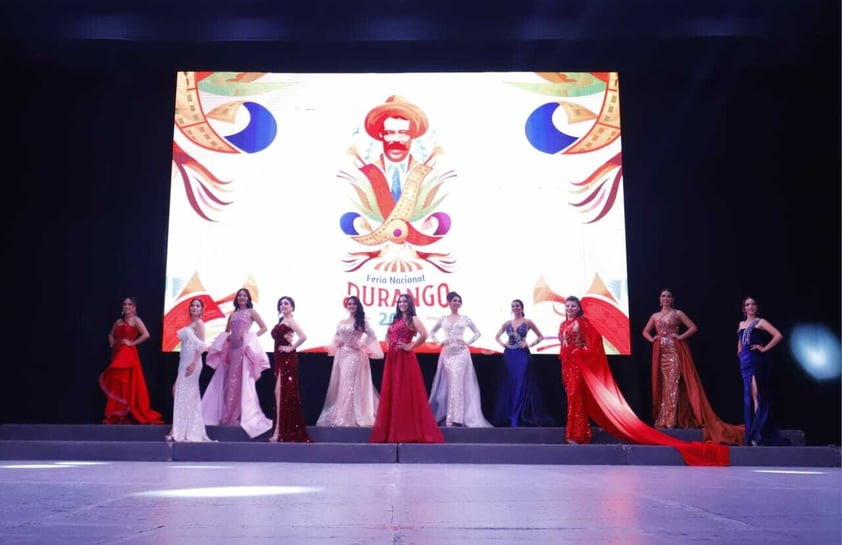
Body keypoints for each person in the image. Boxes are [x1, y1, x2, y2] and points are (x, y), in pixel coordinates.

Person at [558, 296, 730, 466]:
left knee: (576, 398)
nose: (570, 308)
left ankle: (577, 435)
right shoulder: (564, 324)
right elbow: (564, 345)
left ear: (579, 308)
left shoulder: (582, 323)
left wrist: (580, 353)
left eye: (573, 306)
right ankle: (577, 434)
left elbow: (595, 341)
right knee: (573, 398)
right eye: (568, 306)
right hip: (567, 366)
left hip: (579, 366)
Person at [642, 289, 743, 444]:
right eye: (663, 296)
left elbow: (693, 327)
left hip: (675, 353)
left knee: (673, 384)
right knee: (664, 385)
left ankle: (670, 420)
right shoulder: (655, 316)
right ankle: (664, 418)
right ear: (659, 299)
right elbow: (645, 331)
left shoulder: (678, 313)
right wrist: (653, 339)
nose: (666, 298)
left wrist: (680, 336)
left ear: (672, 299)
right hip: (661, 354)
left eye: (669, 296)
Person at [370, 294, 444, 443]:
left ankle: (405, 431)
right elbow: (387, 335)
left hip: (405, 360)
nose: (402, 304)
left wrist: (410, 346)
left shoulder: (413, 319)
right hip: (393, 359)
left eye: (405, 301)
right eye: (400, 301)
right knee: (393, 392)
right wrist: (391, 345)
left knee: (404, 393)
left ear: (410, 303)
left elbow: (424, 334)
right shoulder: (396, 320)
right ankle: (393, 430)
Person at [202, 288, 273, 439]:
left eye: (244, 296)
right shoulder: (232, 315)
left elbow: (264, 328)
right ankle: (228, 414)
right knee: (229, 382)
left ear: (248, 299)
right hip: (231, 351)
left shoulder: (251, 312)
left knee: (238, 383)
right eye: (240, 295)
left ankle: (234, 416)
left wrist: (250, 337)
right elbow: (227, 331)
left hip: (242, 350)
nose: (242, 298)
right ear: (237, 298)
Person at [428, 291, 491, 427]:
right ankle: (452, 417)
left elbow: (477, 333)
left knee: (458, 383)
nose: (456, 303)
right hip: (448, 353)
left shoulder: (465, 318)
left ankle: (457, 418)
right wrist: (439, 342)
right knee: (452, 383)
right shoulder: (443, 319)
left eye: (458, 301)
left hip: (461, 353)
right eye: (454, 300)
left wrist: (467, 342)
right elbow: (431, 332)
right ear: (449, 303)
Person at [317, 296, 383, 427]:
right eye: (349, 304)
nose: (351, 306)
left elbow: (372, 336)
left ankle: (350, 416)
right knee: (343, 383)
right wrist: (338, 341)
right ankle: (342, 414)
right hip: (342, 354)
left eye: (354, 304)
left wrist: (360, 343)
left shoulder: (362, 321)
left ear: (358, 306)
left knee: (350, 383)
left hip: (354, 355)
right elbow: (336, 334)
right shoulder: (342, 321)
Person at [100, 297, 164, 425]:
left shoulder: (136, 320)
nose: (127, 306)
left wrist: (132, 343)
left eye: (130, 304)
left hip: (128, 354)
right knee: (118, 384)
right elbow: (111, 335)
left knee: (130, 382)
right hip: (118, 353)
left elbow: (146, 334)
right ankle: (119, 413)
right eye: (125, 304)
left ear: (134, 307)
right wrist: (112, 344)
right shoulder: (118, 321)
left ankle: (129, 412)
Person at [491, 299, 551, 427]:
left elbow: (541, 336)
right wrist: (503, 344)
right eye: (513, 306)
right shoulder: (507, 323)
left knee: (521, 383)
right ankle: (511, 415)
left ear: (522, 308)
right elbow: (496, 337)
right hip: (509, 355)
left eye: (517, 305)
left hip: (522, 355)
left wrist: (529, 344)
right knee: (510, 384)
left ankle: (517, 415)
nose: (515, 308)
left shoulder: (527, 322)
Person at [738, 297, 786, 446]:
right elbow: (740, 341)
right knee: (748, 397)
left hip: (757, 360)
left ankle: (757, 434)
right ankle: (753, 433)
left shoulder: (760, 322)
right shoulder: (741, 324)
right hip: (744, 362)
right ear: (743, 308)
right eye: (747, 304)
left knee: (756, 395)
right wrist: (739, 353)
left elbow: (778, 335)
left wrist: (764, 348)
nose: (750, 307)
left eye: (753, 304)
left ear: (756, 307)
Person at [269, 296, 312, 443]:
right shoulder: (282, 321)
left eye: (286, 303)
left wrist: (291, 348)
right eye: (281, 303)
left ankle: (281, 432)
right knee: (279, 393)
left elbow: (303, 336)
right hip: (279, 358)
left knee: (283, 392)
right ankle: (280, 429)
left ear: (292, 307)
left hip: (287, 359)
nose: (283, 305)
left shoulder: (291, 321)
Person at [168, 298, 213, 442]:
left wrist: (194, 363)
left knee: (188, 393)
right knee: (179, 392)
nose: (194, 307)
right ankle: (180, 427)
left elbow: (202, 345)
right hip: (184, 361)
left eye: (197, 306)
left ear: (201, 310)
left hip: (193, 362)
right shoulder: (189, 324)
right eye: (192, 305)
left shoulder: (199, 324)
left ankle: (182, 429)